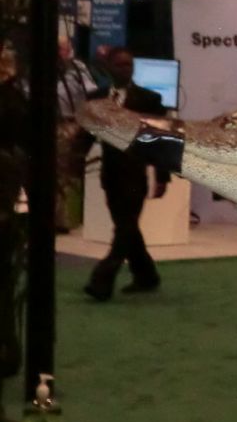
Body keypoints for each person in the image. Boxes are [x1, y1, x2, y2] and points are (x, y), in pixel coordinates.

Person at [83, 48, 169, 300]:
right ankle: (147, 276)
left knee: (123, 230)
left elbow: (161, 140)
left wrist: (162, 176)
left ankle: (102, 279)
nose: (126, 69)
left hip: (135, 175)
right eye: (120, 65)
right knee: (126, 228)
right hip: (109, 174)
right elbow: (87, 135)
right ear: (109, 67)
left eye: (129, 65)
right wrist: (74, 163)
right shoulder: (96, 98)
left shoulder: (148, 99)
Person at [56, 34, 96, 232]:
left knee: (63, 173)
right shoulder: (43, 68)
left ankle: (62, 221)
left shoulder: (77, 69)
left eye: (60, 49)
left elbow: (92, 94)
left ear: (67, 48)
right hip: (46, 123)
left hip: (69, 124)